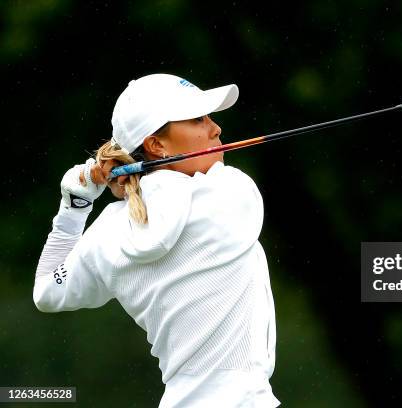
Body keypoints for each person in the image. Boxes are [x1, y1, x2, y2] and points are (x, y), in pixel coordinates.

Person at [33, 74, 280, 407]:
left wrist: (75, 205)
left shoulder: (110, 231)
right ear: (156, 145)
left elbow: (46, 291)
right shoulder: (231, 193)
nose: (215, 128)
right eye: (197, 119)